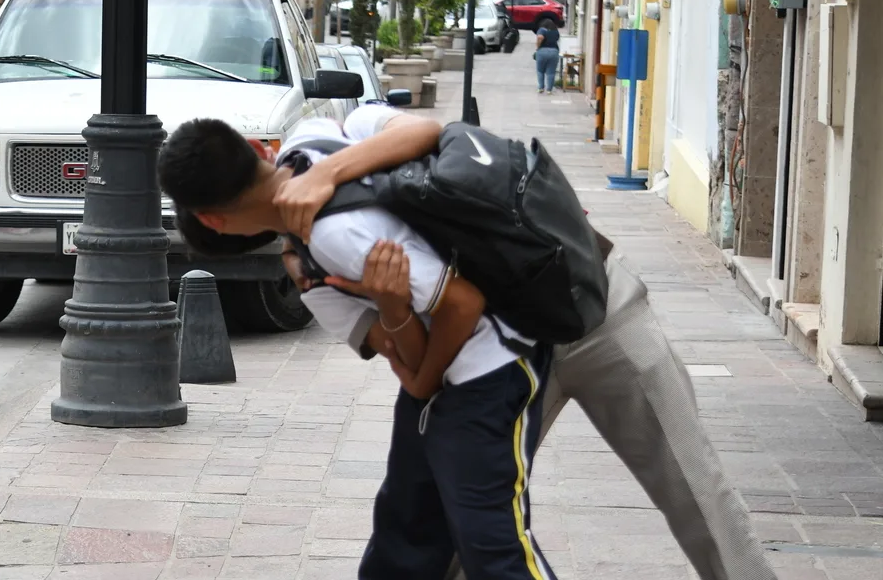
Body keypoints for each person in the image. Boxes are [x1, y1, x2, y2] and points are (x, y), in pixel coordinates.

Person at [270, 105, 777, 580]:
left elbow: (429, 131)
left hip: (597, 305)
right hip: (502, 349)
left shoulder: (352, 134)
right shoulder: (327, 264)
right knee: (458, 514)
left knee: (692, 484)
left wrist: (326, 173)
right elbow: (412, 350)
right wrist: (387, 305)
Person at [159, 108, 562, 580]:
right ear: (255, 150)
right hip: (455, 372)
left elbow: (462, 304)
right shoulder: (311, 139)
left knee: (493, 547)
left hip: (489, 368)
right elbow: (425, 130)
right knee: (404, 536)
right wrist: (397, 320)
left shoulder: (331, 237)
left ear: (214, 220)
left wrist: (420, 382)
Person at [534, 19, 561, 94]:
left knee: (540, 71)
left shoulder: (542, 29)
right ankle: (549, 90)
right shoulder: (555, 31)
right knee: (551, 72)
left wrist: (537, 46)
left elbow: (540, 37)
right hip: (554, 51)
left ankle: (541, 88)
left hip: (542, 51)